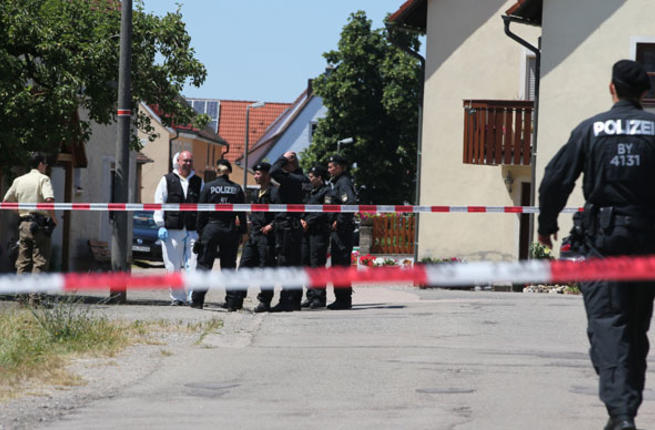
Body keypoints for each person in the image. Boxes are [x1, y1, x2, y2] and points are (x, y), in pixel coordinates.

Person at [538, 60, 655, 430]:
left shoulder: (590, 129)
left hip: (603, 240)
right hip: (648, 239)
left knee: (609, 323)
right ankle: (626, 410)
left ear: (611, 88)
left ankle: (620, 414)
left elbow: (555, 179)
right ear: (645, 93)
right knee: (636, 326)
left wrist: (545, 224)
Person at [192, 159, 247, 310]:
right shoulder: (236, 189)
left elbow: (201, 211)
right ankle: (231, 303)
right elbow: (242, 213)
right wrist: (242, 231)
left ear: (217, 171)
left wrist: (200, 231)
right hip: (230, 229)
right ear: (229, 171)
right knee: (229, 266)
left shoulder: (209, 187)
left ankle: (197, 300)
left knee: (204, 264)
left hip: (211, 227)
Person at [2, 152, 57, 304]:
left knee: (23, 261)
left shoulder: (19, 180)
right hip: (40, 225)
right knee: (40, 261)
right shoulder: (43, 179)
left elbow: (6, 201)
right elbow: (49, 199)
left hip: (24, 224)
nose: (46, 167)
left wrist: (20, 213)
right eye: (45, 164)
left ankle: (21, 298)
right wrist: (53, 218)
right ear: (40, 164)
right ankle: (35, 299)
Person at [153, 150, 203, 305]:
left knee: (193, 266)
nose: (187, 164)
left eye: (190, 161)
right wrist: (160, 224)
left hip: (192, 230)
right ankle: (177, 298)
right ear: (178, 161)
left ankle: (191, 297)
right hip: (172, 229)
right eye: (185, 161)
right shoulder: (167, 180)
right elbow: (158, 202)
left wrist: (202, 227)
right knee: (173, 266)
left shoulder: (198, 181)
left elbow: (203, 205)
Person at [268, 151, 310, 312]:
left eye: (286, 165)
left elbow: (273, 171)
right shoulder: (302, 179)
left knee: (286, 262)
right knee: (294, 262)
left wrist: (283, 157)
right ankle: (295, 300)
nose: (283, 169)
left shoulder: (293, 179)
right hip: (292, 225)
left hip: (288, 225)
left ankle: (287, 300)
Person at [238, 162, 280, 313]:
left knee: (266, 269)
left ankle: (265, 301)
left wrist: (271, 225)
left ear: (267, 175)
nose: (255, 176)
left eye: (259, 173)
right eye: (255, 173)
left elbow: (282, 214)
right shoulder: (256, 193)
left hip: (267, 238)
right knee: (244, 265)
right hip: (254, 235)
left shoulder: (275, 193)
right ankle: (237, 298)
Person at [326, 153, 357, 310]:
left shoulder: (343, 182)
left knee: (341, 264)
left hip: (343, 231)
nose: (329, 170)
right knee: (337, 263)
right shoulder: (337, 182)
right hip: (339, 231)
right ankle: (341, 298)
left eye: (331, 167)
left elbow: (349, 203)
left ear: (338, 167)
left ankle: (344, 299)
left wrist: (339, 221)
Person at [300, 165, 331, 309]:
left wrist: (309, 222)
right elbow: (303, 208)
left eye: (312, 176)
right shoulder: (309, 192)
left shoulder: (327, 192)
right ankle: (311, 295)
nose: (309, 179)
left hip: (319, 233)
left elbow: (325, 212)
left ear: (319, 178)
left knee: (317, 264)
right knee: (307, 264)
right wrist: (302, 219)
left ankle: (319, 298)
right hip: (307, 233)